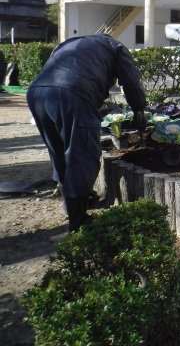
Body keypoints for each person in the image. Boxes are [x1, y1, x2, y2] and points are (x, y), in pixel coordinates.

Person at [27, 33, 147, 232]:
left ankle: (72, 202)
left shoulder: (69, 43)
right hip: (73, 93)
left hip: (37, 92)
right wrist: (139, 108)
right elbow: (131, 81)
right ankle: (78, 221)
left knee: (58, 149)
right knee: (83, 155)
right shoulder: (115, 47)